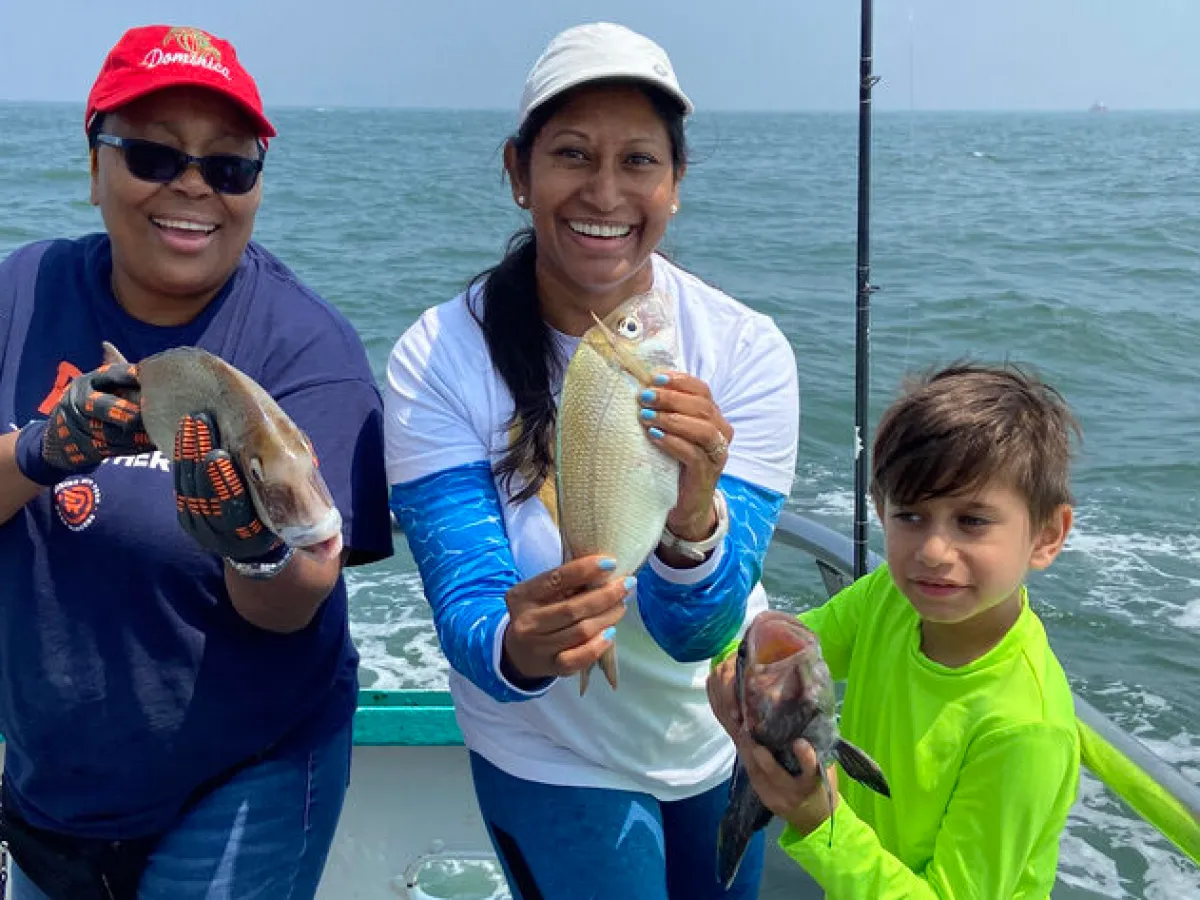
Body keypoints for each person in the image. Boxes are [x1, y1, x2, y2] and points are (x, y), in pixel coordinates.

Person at [384, 21, 799, 900]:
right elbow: (468, 612)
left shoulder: (747, 350)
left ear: (677, 184)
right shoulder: (439, 357)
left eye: (640, 161)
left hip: (715, 732)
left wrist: (694, 521)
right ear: (517, 173)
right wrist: (523, 645)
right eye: (572, 154)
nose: (605, 191)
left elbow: (697, 632)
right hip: (548, 749)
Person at [0, 24, 393, 900]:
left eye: (228, 166)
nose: (192, 187)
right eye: (151, 155)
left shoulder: (310, 348)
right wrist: (40, 450)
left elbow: (300, 593)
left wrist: (253, 549)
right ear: (95, 161)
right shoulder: (20, 294)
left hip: (242, 771)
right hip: (49, 779)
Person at [708, 363, 1083, 898]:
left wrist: (818, 821)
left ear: (1047, 536)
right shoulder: (890, 596)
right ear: (880, 508)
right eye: (910, 516)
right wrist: (735, 677)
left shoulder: (1023, 729)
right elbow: (790, 649)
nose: (932, 551)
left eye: (971, 521)